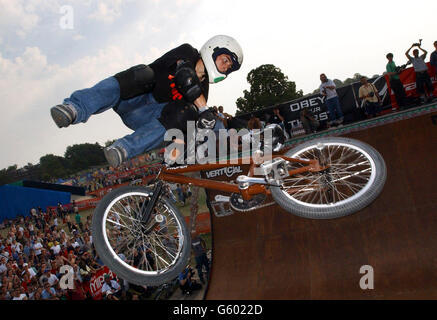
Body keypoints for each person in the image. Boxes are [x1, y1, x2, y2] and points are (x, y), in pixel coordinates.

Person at [50, 35, 243, 167]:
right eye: (225, 59)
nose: (226, 67)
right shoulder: (187, 52)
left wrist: (178, 151)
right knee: (143, 74)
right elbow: (185, 75)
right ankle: (75, 108)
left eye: (229, 67)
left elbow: (185, 127)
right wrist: (204, 109)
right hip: (132, 98)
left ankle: (123, 149)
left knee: (187, 113)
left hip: (150, 121)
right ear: (212, 50)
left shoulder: (203, 93)